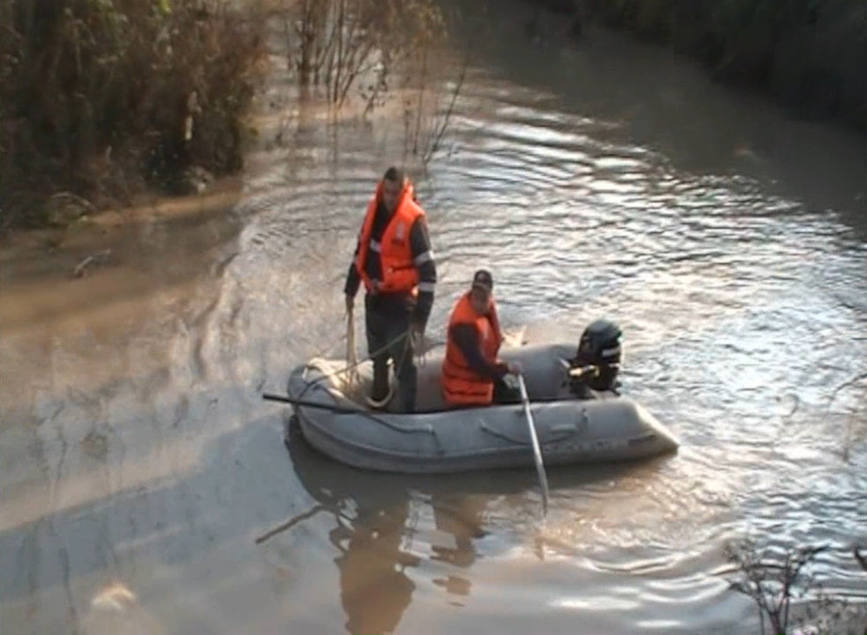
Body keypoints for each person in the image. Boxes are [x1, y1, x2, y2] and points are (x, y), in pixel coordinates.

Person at [345, 167, 436, 413]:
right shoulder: (373, 214)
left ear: (403, 192)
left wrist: (420, 319)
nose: (390, 198)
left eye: (395, 193)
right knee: (377, 359)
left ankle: (407, 416)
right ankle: (379, 402)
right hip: (374, 302)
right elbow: (360, 253)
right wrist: (350, 289)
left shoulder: (413, 223)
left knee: (403, 367)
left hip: (400, 307)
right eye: (387, 192)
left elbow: (428, 274)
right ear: (381, 189)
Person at [441, 270, 520, 407]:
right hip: (464, 392)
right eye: (476, 297)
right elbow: (478, 366)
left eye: (483, 298)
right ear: (471, 294)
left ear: (489, 296)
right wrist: (506, 368)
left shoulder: (487, 309)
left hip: (481, 380)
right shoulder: (463, 326)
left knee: (513, 393)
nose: (478, 303)